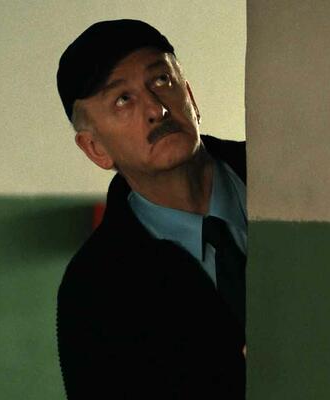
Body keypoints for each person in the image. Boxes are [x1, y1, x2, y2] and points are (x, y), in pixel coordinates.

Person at [56, 19, 247, 399]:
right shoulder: (94, 293)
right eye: (122, 100)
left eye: (161, 80)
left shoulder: (290, 172)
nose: (157, 110)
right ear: (96, 148)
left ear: (190, 97)